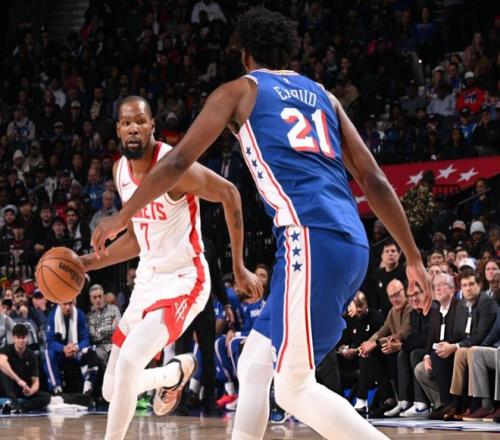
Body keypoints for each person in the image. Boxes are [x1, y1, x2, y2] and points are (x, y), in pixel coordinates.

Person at [91, 8, 431, 440]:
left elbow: (176, 162)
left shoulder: (241, 90)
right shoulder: (325, 97)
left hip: (308, 237)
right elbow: (375, 180)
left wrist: (122, 215)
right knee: (254, 362)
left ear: (245, 55)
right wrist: (413, 257)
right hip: (350, 242)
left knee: (293, 388)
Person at [80, 96, 259, 440]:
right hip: (147, 280)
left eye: (140, 121)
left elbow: (230, 193)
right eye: (126, 123)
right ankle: (174, 373)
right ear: (118, 130)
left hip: (184, 278)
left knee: (130, 362)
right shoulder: (120, 171)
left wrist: (238, 266)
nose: (133, 128)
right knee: (110, 389)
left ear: (152, 126)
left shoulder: (176, 168)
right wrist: (85, 262)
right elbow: (135, 241)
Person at [0, 323, 50, 413]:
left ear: (27, 338)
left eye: (23, 337)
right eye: (18, 337)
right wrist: (18, 380)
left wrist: (31, 391)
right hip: (5, 387)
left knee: (46, 397)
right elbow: (2, 363)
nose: (21, 340)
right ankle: (13, 401)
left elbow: (35, 381)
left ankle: (20, 407)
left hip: (21, 390)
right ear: (13, 338)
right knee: (4, 370)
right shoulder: (6, 349)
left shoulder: (31, 355)